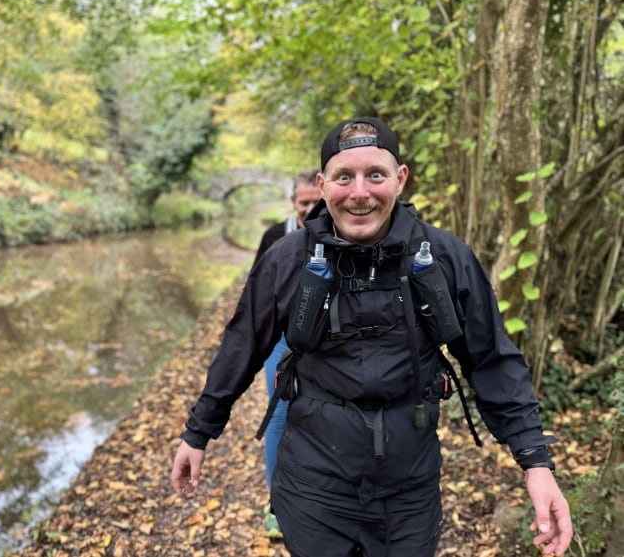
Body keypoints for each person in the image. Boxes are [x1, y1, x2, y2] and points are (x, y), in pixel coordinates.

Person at [171, 117, 573, 557]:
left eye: (375, 175)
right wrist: (198, 433)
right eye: (345, 177)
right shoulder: (286, 260)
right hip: (313, 485)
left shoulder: (445, 257)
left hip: (409, 489)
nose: (359, 193)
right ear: (323, 185)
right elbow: (241, 345)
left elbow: (491, 358)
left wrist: (535, 463)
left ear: (400, 180)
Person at [253, 169, 322, 538]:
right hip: (282, 342)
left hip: (327, 345)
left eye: (316, 202)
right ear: (293, 203)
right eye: (304, 202)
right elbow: (257, 294)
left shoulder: (340, 230)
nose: (311, 209)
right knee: (279, 417)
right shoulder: (275, 236)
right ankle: (277, 503)